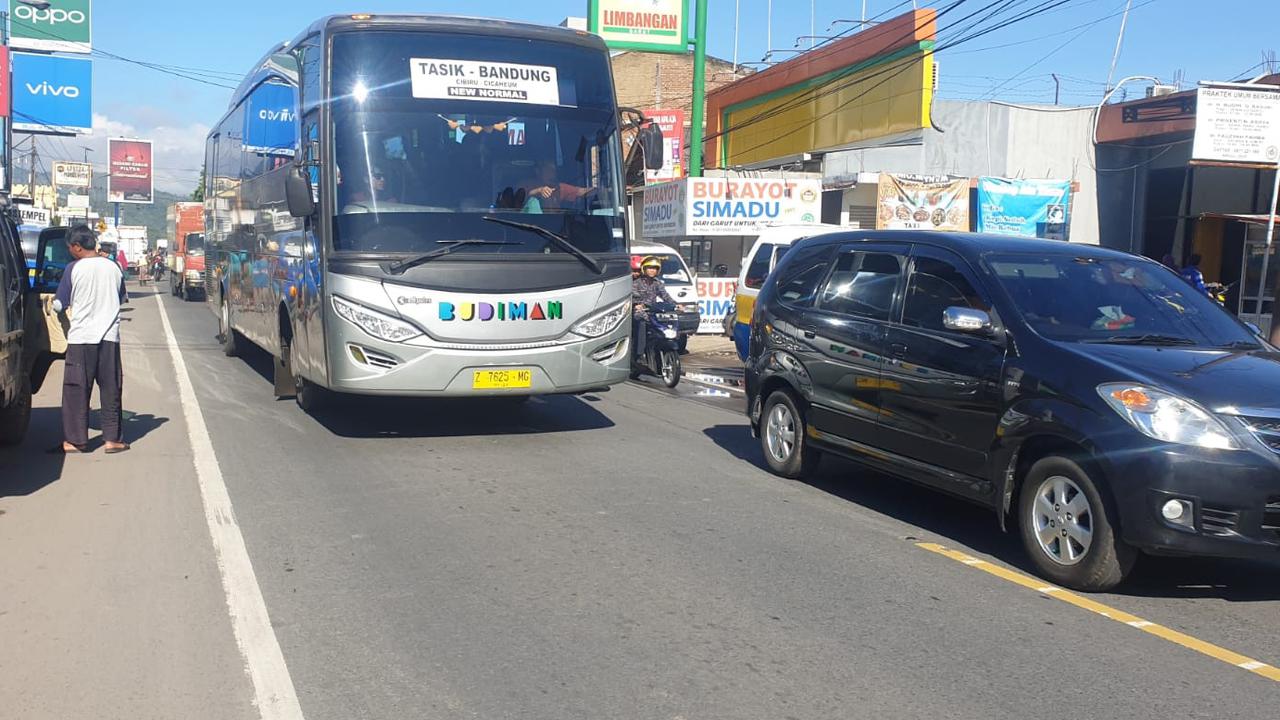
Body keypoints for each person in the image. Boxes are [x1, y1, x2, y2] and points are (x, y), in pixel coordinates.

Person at [51, 225, 129, 454]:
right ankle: (112, 439)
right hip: (109, 337)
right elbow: (122, 297)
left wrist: (52, 309)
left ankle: (76, 440)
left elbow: (59, 304)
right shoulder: (114, 267)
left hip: (82, 338)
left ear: (76, 247)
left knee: (76, 389)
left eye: (69, 248)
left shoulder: (73, 269)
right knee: (111, 387)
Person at [632, 255, 675, 363]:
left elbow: (665, 296)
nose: (652, 270)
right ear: (644, 269)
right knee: (640, 320)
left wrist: (676, 305)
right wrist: (637, 304)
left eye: (655, 268)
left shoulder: (657, 283)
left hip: (653, 313)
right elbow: (632, 297)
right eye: (650, 268)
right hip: (640, 312)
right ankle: (639, 354)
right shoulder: (636, 283)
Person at [523, 160, 595, 212]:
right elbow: (522, 198)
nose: (553, 174)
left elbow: (580, 191)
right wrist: (539, 191)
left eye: (554, 170)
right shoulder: (526, 184)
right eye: (549, 170)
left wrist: (598, 190)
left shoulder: (558, 187)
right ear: (538, 171)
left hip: (554, 226)